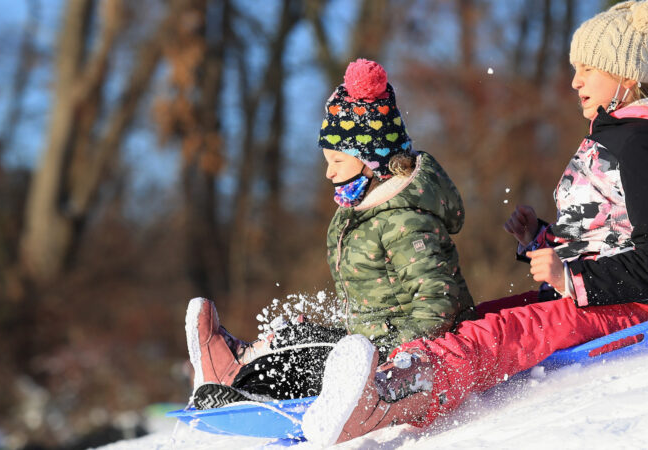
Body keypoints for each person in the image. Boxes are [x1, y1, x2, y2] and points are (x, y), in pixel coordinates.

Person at [301, 0, 648, 445]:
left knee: (500, 335)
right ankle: (383, 378)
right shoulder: (622, 135)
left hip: (632, 309)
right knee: (481, 320)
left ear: (625, 75)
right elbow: (608, 230)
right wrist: (542, 238)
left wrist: (570, 276)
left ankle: (391, 395)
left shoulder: (645, 144)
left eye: (587, 69)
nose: (575, 81)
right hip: (603, 297)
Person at [184, 58, 476, 408]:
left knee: (312, 362)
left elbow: (438, 305)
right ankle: (239, 363)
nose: (329, 173)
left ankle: (244, 391)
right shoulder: (365, 213)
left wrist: (394, 354)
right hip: (374, 344)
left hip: (404, 357)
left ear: (372, 159)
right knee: (298, 334)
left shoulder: (404, 220)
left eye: (337, 161)